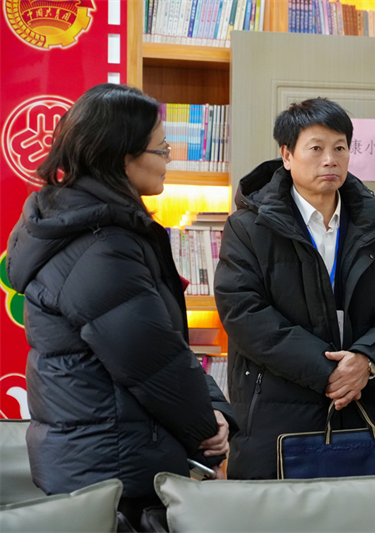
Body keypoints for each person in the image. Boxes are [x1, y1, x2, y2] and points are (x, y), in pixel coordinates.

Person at [5, 84, 236, 524]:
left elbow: (164, 347)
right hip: (111, 468)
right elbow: (150, 362)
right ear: (123, 157)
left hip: (106, 456)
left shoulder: (94, 227)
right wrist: (209, 429)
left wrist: (217, 412)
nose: (168, 159)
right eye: (161, 149)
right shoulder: (100, 245)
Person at [214, 98, 375, 480]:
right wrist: (328, 372)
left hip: (369, 405)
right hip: (280, 414)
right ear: (287, 155)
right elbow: (243, 312)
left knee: (367, 508)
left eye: (340, 148)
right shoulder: (247, 227)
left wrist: (366, 360)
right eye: (316, 148)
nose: (330, 159)